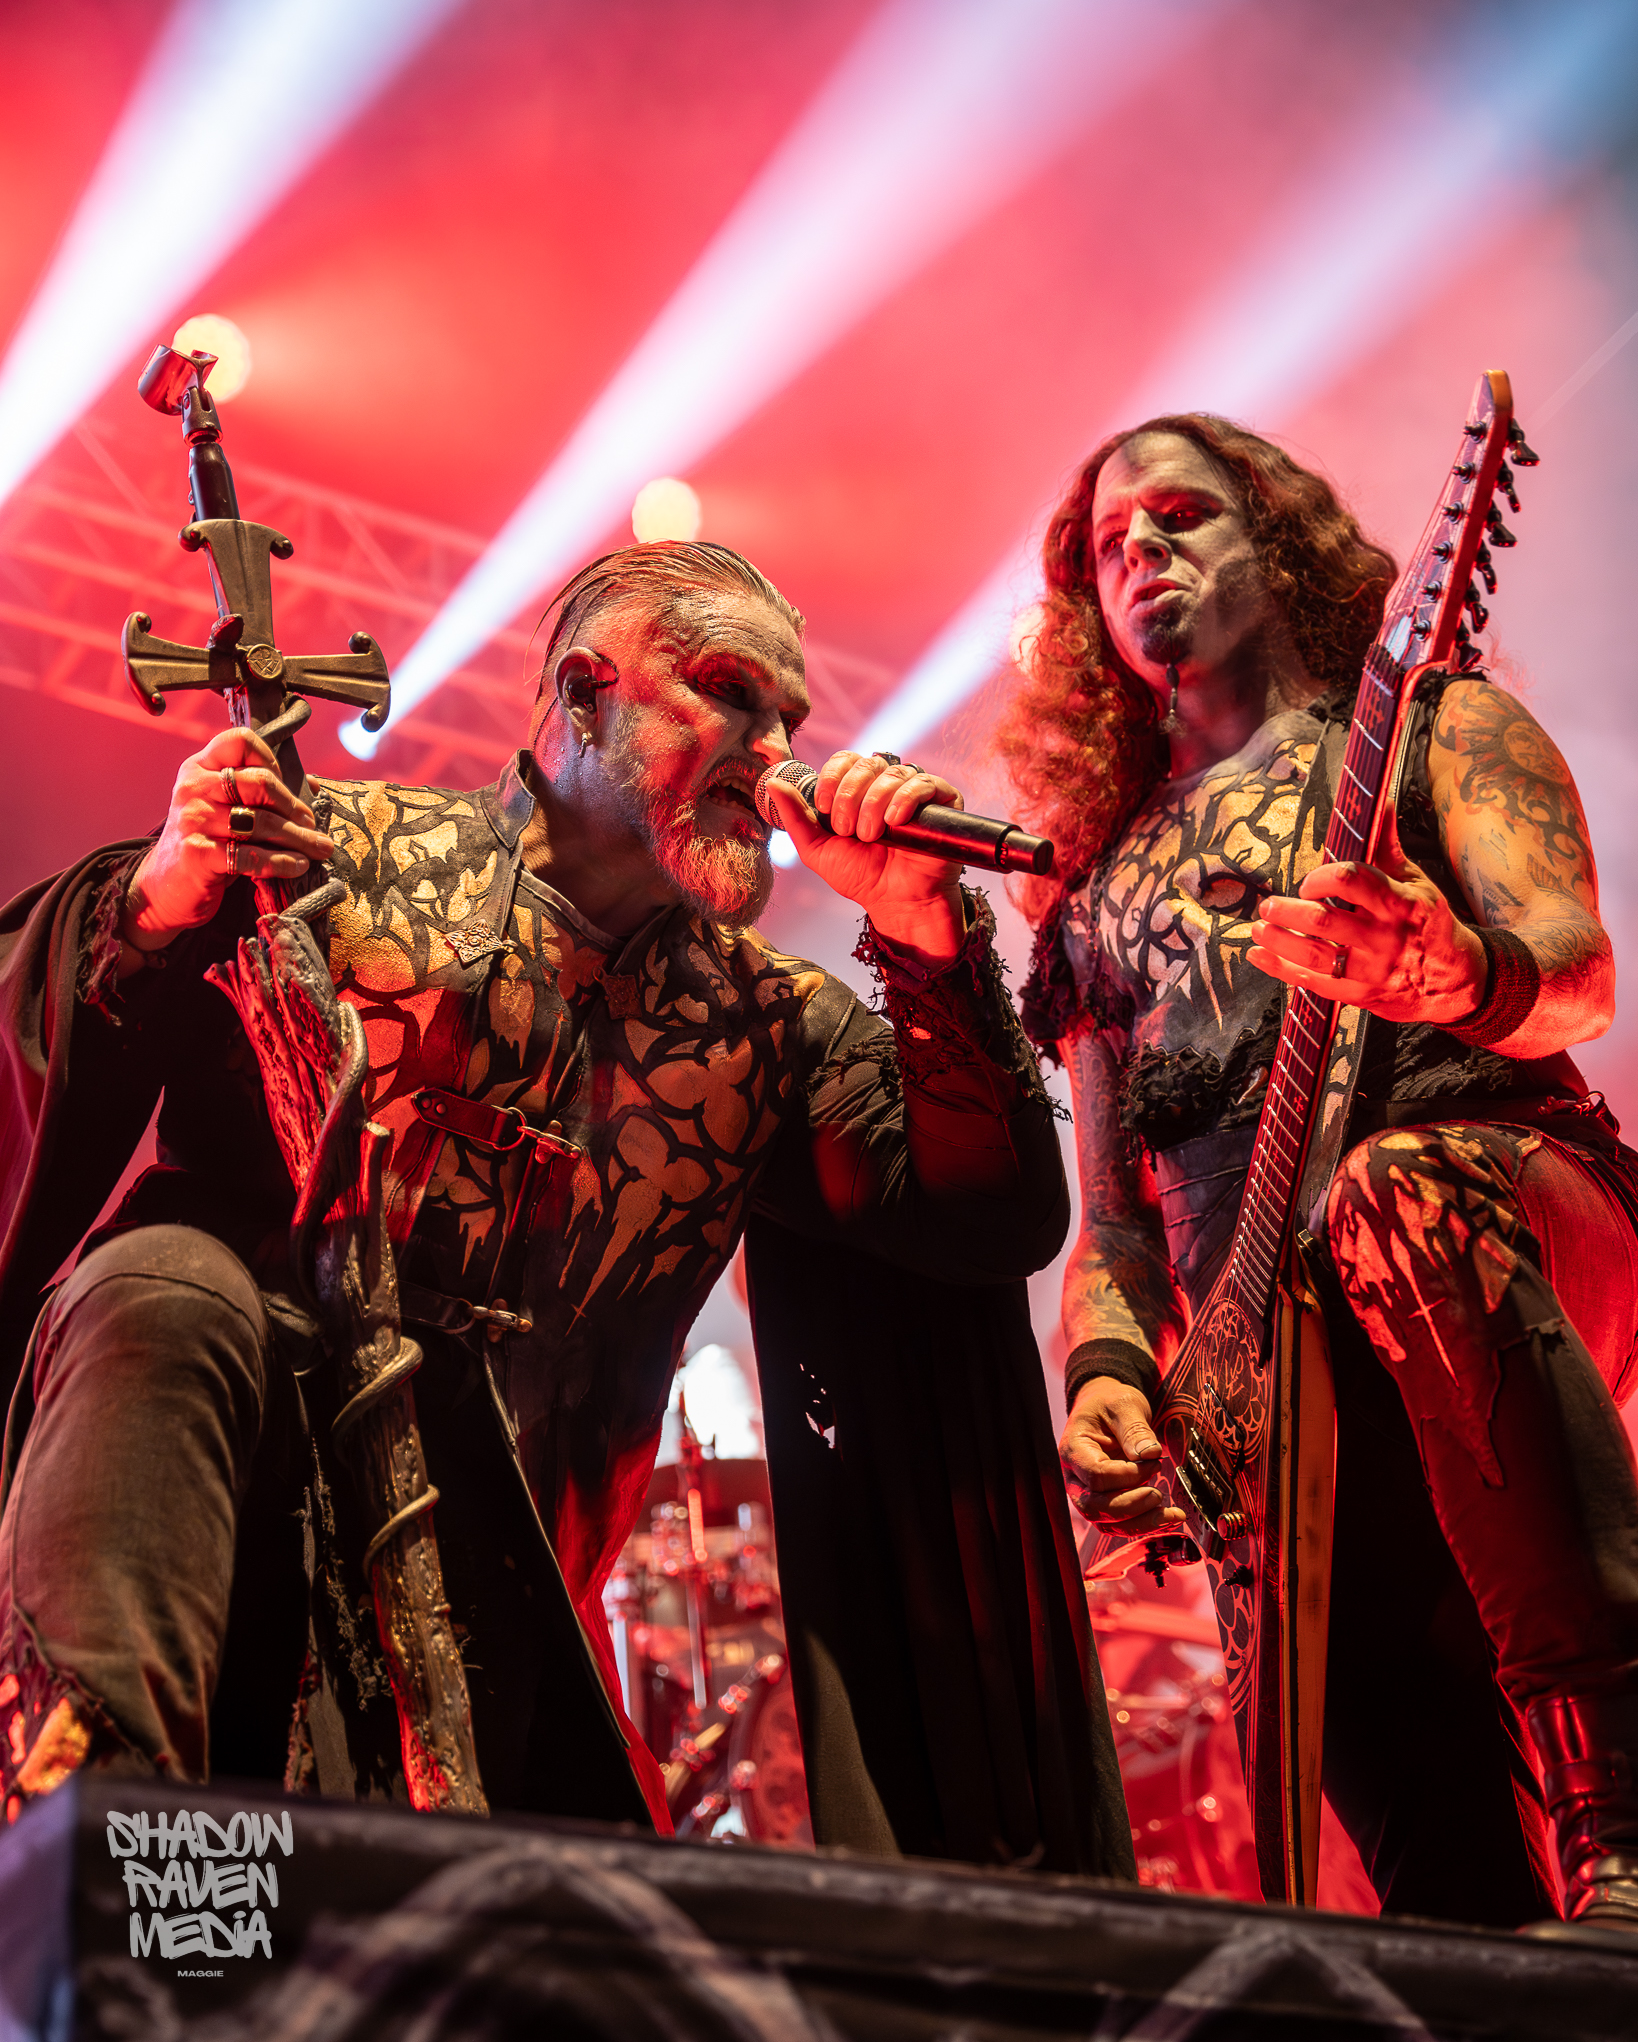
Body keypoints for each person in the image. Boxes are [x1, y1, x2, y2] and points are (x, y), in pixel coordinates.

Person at [0, 540, 1132, 1877]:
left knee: (523, 1959)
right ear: (588, 694)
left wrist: (924, 933)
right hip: (211, 1512)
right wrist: (159, 899)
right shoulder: (327, 860)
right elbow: (48, 1057)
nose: (775, 752)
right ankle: (93, 1864)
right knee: (164, 1288)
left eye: (788, 718)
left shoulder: (772, 1026)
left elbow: (987, 1222)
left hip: (509, 1611)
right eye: (729, 692)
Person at [997, 415, 1638, 1931]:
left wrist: (1451, 969)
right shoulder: (1093, 888)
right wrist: (1104, 1376)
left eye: (1179, 514)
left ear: (1275, 544)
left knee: (1395, 1194)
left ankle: (1625, 1820)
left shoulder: (1431, 727)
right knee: (1431, 1866)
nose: (1139, 551)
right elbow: (1113, 1222)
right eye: (1105, 545)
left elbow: (1578, 977)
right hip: (1270, 1382)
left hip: (1504, 1223)